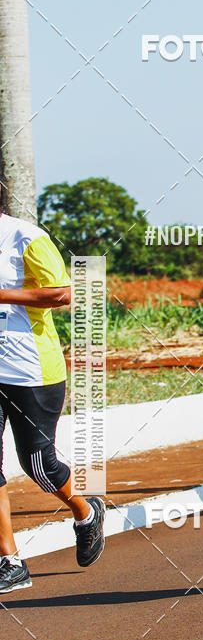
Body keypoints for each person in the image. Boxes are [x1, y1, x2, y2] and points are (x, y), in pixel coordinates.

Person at [0, 212, 105, 593]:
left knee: (38, 464)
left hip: (31, 369)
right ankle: (9, 561)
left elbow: (65, 293)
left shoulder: (24, 237)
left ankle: (85, 511)